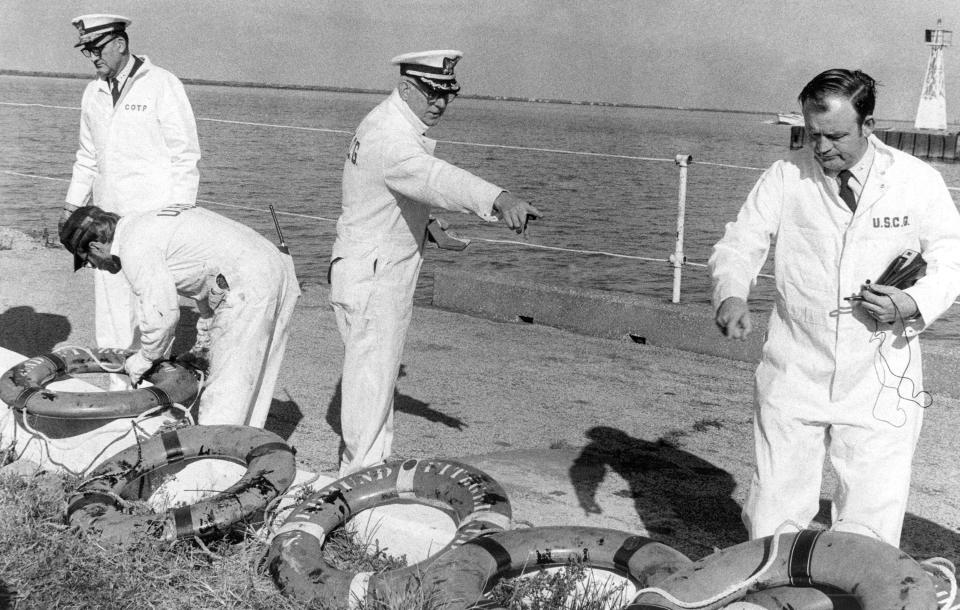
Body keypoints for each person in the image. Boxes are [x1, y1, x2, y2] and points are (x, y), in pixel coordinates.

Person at [709, 68, 960, 546]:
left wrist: (911, 302)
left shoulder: (915, 181)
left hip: (881, 370)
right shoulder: (785, 175)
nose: (821, 148)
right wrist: (732, 293)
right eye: (812, 134)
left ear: (869, 125)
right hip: (795, 361)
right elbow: (741, 242)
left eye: (836, 136)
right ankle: (770, 586)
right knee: (774, 510)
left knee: (871, 517)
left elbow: (952, 258)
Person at [330, 50, 543, 476]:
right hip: (375, 274)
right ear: (407, 87)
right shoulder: (392, 138)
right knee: (371, 383)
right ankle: (359, 485)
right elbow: (434, 177)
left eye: (448, 94)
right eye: (431, 92)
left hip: (364, 262)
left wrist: (425, 225)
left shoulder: (384, 120)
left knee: (374, 378)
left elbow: (383, 194)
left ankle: (363, 473)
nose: (440, 103)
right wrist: (498, 199)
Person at [59, 204, 300, 428]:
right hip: (272, 263)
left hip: (249, 278)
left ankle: (214, 462)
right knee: (256, 379)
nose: (95, 266)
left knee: (228, 384)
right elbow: (205, 277)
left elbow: (162, 314)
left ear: (95, 246)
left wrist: (144, 358)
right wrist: (204, 343)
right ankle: (244, 447)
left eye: (88, 261)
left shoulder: (134, 245)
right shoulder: (145, 223)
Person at [62, 14, 201, 384]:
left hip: (153, 221)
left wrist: (179, 216)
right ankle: (115, 391)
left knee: (154, 309)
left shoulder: (161, 84)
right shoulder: (93, 92)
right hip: (105, 223)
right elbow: (86, 156)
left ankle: (157, 395)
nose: (92, 56)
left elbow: (185, 155)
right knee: (110, 311)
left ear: (120, 43)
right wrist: (71, 206)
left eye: (97, 47)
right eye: (86, 50)